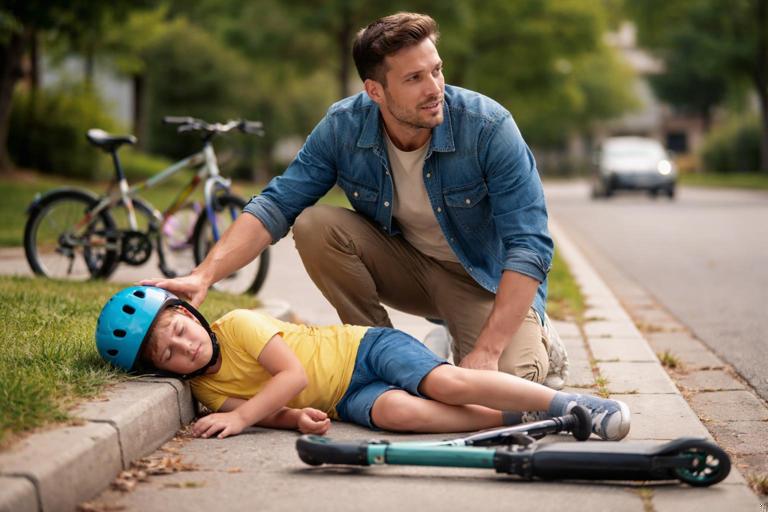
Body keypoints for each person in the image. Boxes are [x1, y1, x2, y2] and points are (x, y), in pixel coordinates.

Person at [142, 12, 565, 388]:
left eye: (436, 70)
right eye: (414, 79)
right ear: (375, 91)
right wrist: (203, 276)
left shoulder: (488, 127)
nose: (434, 88)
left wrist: (487, 351)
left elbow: (529, 245)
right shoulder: (343, 127)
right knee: (313, 225)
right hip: (408, 266)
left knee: (505, 386)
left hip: (482, 280)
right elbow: (276, 205)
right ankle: (383, 356)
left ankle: (534, 337)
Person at [96, 286, 629, 440]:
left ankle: (569, 402)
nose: (184, 348)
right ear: (163, 371)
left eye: (180, 332)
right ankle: (521, 418)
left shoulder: (237, 324)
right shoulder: (208, 393)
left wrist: (241, 420)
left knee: (445, 384)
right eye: (168, 354)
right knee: (402, 415)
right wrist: (295, 419)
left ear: (189, 313)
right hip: (346, 398)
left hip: (365, 348)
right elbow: (274, 407)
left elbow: (292, 376)